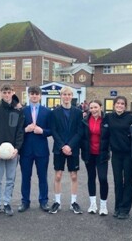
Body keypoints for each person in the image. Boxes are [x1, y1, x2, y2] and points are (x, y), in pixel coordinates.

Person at [0, 84, 24, 217]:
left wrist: (17, 148)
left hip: (13, 152)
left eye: (9, 92)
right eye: (4, 92)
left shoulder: (18, 111)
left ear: (12, 92)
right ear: (1, 93)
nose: (7, 94)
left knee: (10, 179)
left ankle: (7, 203)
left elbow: (20, 131)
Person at [100, 95, 132, 219]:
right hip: (116, 154)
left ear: (125, 106)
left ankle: (125, 209)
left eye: (122, 104)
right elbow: (104, 134)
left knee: (127, 181)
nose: (120, 105)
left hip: (128, 155)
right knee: (117, 181)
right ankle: (117, 207)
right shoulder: (109, 117)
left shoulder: (130, 118)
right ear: (114, 105)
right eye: (117, 103)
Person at [49, 86, 83, 214]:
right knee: (58, 175)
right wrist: (63, 146)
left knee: (74, 176)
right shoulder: (54, 113)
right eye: (64, 94)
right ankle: (57, 202)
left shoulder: (78, 113)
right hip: (59, 148)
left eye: (69, 94)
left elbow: (79, 131)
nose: (67, 97)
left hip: (73, 149)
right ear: (61, 96)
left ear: (71, 96)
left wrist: (70, 146)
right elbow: (54, 130)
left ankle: (73, 202)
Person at [18, 86, 52, 213]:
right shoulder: (22, 111)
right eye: (32, 94)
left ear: (40, 96)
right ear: (28, 95)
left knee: (42, 177)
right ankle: (25, 201)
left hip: (42, 150)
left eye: (36, 94)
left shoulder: (47, 112)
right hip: (26, 150)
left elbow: (51, 130)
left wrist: (42, 131)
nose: (34, 96)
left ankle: (43, 201)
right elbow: (17, 131)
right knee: (26, 177)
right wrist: (25, 130)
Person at [81, 100, 109, 216]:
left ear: (101, 107)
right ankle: (93, 204)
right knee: (91, 178)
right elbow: (82, 136)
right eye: (91, 108)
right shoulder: (85, 120)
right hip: (89, 153)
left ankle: (103, 205)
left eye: (96, 107)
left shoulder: (106, 120)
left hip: (102, 154)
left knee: (102, 178)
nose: (93, 110)